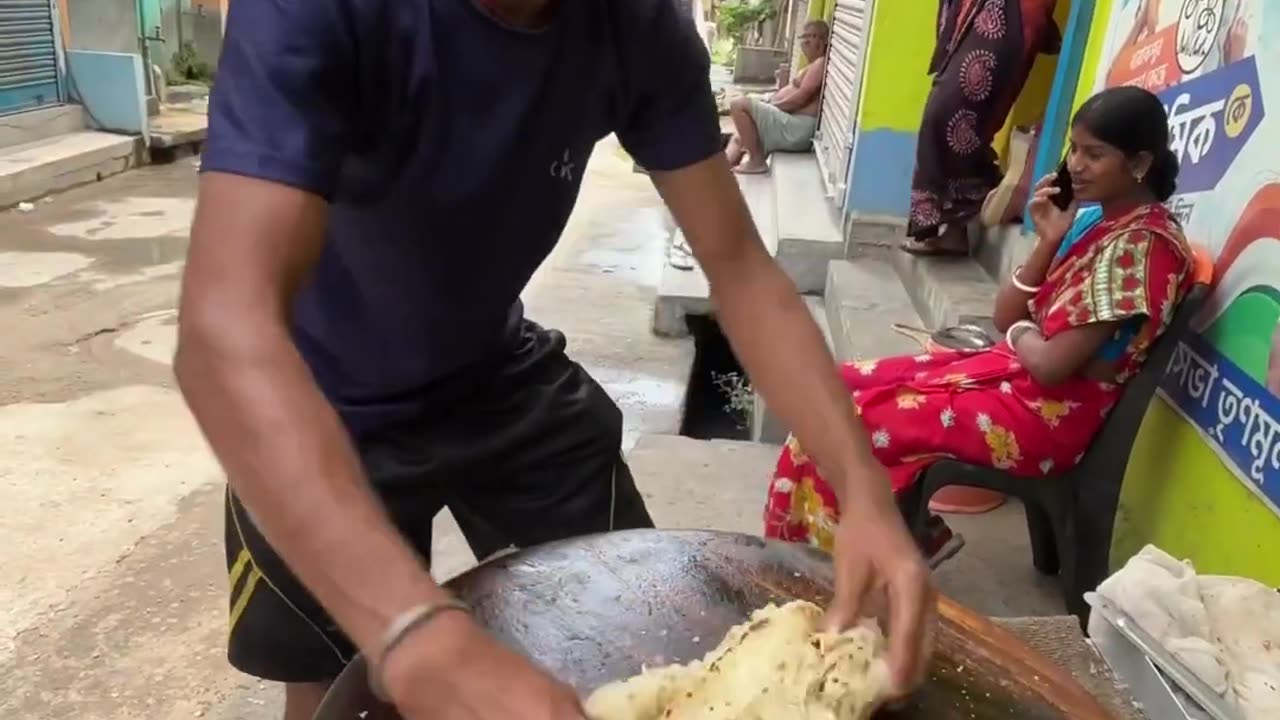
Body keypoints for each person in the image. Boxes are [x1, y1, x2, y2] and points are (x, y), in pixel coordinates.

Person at [177, 2, 932, 719]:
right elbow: (223, 329)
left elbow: (739, 270)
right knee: (337, 691)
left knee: (642, 617)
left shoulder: (634, 24)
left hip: (492, 371)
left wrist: (861, 488)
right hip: (312, 399)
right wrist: (410, 628)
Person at [765, 86, 1194, 554]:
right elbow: (1005, 314)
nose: (1074, 164)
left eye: (1095, 154)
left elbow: (1049, 364)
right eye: (1074, 149)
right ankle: (884, 539)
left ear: (1138, 164)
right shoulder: (1096, 223)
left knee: (847, 418)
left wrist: (1021, 333)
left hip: (1045, 416)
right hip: (1013, 380)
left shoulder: (1143, 248)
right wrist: (1050, 239)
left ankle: (838, 563)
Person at [903, 0, 1061, 256]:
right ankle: (957, 226)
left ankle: (974, 202)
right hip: (979, 10)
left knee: (951, 114)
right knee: (956, 120)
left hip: (1011, 12)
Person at [724, 21, 829, 175]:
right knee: (739, 137)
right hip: (791, 122)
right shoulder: (812, 64)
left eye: (814, 36)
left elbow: (801, 98)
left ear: (825, 40)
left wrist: (772, 107)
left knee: (738, 104)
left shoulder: (820, 64)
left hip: (797, 128)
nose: (807, 41)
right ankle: (719, 175)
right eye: (804, 36)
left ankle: (756, 161)